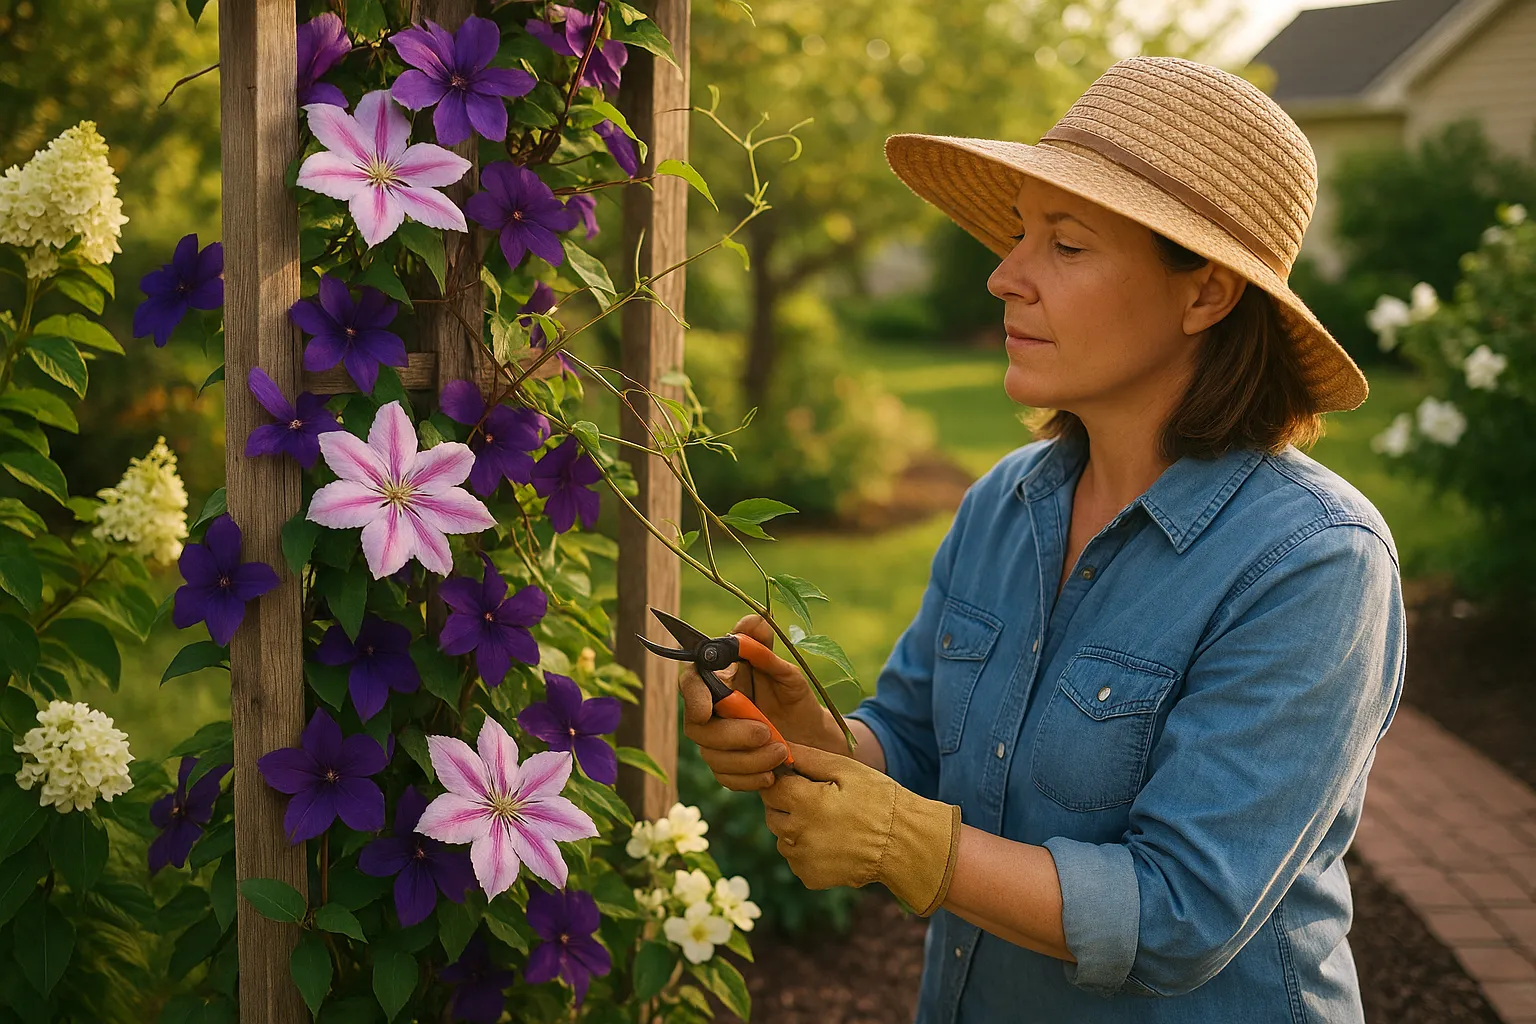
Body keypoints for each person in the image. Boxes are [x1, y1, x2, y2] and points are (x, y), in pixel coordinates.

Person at [677, 55, 1406, 1022]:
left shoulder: (1315, 561)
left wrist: (907, 845)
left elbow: (1180, 914)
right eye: (1020, 234)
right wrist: (811, 736)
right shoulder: (1004, 504)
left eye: (1065, 245)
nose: (1004, 275)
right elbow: (912, 747)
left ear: (1206, 295)